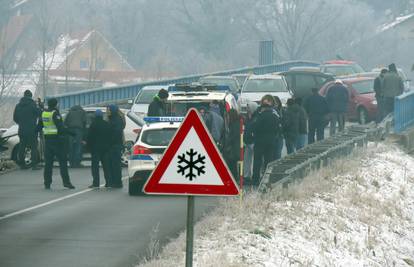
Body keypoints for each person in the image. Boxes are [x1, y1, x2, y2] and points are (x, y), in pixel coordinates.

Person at [40, 98, 75, 189]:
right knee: (63, 162)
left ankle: (47, 183)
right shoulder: (55, 113)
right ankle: (66, 182)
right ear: (56, 105)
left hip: (48, 141)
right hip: (57, 141)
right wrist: (72, 133)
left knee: (48, 164)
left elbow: (39, 126)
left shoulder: (44, 113)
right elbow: (61, 128)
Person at [252, 95, 281, 186]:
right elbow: (279, 128)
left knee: (257, 160)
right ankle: (266, 179)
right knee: (268, 160)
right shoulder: (275, 115)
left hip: (260, 140)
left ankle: (256, 179)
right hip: (271, 140)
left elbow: (255, 127)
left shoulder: (260, 116)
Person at [13, 90, 41, 170]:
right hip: (32, 129)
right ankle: (34, 165)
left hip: (22, 129)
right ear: (30, 96)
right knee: (33, 147)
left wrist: (21, 123)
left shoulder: (18, 106)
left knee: (22, 147)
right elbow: (40, 114)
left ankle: (22, 164)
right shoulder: (33, 105)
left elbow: (15, 118)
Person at [86, 109, 112, 188]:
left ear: (95, 116)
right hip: (105, 148)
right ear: (102, 116)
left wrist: (88, 147)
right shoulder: (106, 124)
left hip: (95, 149)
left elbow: (89, 137)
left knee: (95, 166)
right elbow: (110, 136)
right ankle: (108, 182)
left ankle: (96, 183)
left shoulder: (93, 125)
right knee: (106, 166)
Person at [107, 105, 126, 188]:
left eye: (108, 110)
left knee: (115, 164)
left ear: (112, 110)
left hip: (115, 145)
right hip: (114, 145)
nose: (107, 111)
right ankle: (114, 181)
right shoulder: (114, 118)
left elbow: (116, 133)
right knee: (113, 164)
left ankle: (117, 182)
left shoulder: (116, 120)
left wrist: (110, 141)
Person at [243, 101, 258, 185]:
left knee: (252, 160)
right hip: (248, 141)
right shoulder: (249, 117)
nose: (247, 109)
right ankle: (246, 176)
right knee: (247, 160)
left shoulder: (255, 118)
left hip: (253, 141)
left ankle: (251, 176)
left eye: (249, 108)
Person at [224, 109, 240, 180]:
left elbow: (233, 136)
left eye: (228, 116)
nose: (227, 118)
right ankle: (233, 177)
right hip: (234, 147)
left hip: (234, 148)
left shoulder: (235, 124)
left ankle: (233, 178)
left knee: (231, 163)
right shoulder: (235, 123)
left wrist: (227, 143)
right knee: (232, 163)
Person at [273, 96, 284, 160]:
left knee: (278, 154)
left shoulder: (282, 111)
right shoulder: (271, 112)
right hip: (273, 135)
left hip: (280, 135)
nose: (275, 104)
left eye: (276, 103)